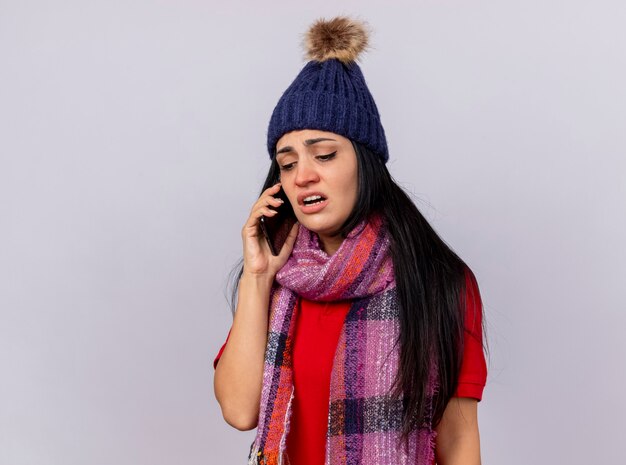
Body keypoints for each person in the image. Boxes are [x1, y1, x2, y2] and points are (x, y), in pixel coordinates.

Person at [213, 16, 487, 465]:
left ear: (365, 162)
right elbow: (240, 410)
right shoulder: (281, 281)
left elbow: (458, 442)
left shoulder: (439, 282)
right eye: (286, 163)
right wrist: (258, 278)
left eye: (324, 155)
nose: (303, 175)